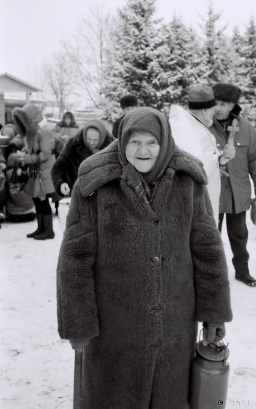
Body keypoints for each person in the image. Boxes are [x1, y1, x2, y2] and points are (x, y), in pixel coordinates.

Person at [57, 107, 233, 409]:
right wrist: (78, 322)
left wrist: (214, 312)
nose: (143, 150)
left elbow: (208, 250)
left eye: (151, 141)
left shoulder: (188, 180)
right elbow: (75, 258)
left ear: (164, 141)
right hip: (113, 330)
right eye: (134, 141)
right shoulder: (95, 182)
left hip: (173, 329)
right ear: (122, 140)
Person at [209, 83, 256, 287]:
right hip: (212, 194)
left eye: (223, 103)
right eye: (215, 103)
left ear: (232, 105)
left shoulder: (246, 128)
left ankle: (242, 271)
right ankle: (211, 275)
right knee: (210, 237)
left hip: (237, 194)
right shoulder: (204, 126)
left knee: (239, 235)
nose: (218, 108)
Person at [169, 85, 235, 225]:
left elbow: (199, 161)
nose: (215, 112)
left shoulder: (191, 127)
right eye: (213, 108)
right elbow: (194, 170)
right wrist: (216, 158)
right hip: (195, 214)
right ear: (205, 110)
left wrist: (220, 158)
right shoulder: (193, 134)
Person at [12, 103, 56, 240]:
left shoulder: (45, 132)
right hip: (37, 174)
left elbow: (45, 154)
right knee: (37, 200)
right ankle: (40, 228)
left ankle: (48, 231)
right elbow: (32, 149)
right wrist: (22, 154)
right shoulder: (33, 133)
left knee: (42, 201)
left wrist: (26, 159)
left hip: (43, 174)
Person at [51, 119, 113, 197]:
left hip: (105, 199)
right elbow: (59, 167)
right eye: (88, 139)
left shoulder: (112, 148)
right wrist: (61, 182)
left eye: (95, 140)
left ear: (102, 138)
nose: (91, 142)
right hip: (79, 198)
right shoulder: (73, 145)